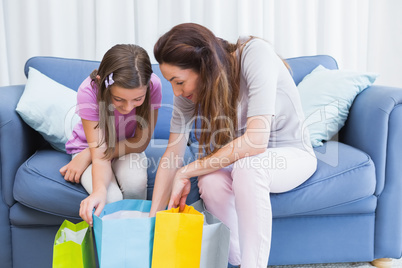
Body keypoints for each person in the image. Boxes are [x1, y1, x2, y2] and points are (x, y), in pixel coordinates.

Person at [149, 23, 317, 268]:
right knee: (210, 181)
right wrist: (153, 220)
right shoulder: (187, 92)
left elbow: (255, 143)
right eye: (171, 83)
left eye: (179, 81)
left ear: (203, 66)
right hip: (242, 163)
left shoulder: (254, 54)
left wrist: (187, 171)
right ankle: (238, 261)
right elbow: (172, 154)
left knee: (249, 167)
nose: (176, 91)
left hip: (291, 153)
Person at [60, 44, 162, 226]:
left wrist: (88, 155)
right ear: (102, 83)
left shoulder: (154, 85)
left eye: (138, 99)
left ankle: (138, 240)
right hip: (91, 147)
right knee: (111, 198)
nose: (129, 108)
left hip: (125, 146)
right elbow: (100, 157)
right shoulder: (88, 91)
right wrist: (99, 190)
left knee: (136, 182)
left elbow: (140, 142)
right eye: (119, 99)